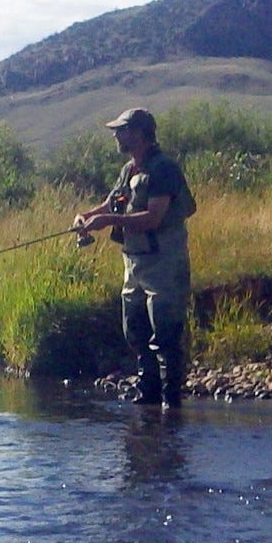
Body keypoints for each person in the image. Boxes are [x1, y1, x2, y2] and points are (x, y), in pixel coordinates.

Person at [74, 107, 196, 406]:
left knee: (165, 336)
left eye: (122, 130)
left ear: (140, 133)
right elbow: (111, 203)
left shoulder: (163, 168)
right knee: (137, 333)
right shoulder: (130, 169)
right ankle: (148, 399)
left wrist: (110, 223)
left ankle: (171, 405)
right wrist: (85, 216)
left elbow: (154, 218)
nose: (116, 135)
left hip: (164, 263)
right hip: (134, 263)